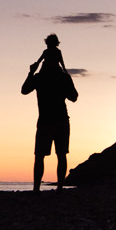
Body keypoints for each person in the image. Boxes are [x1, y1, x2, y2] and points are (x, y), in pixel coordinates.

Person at [21, 33, 79, 191]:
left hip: (46, 121)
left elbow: (24, 90)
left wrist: (31, 72)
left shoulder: (40, 77)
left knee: (40, 156)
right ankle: (59, 188)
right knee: (61, 154)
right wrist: (67, 78)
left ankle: (36, 189)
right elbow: (74, 97)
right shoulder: (63, 78)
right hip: (60, 120)